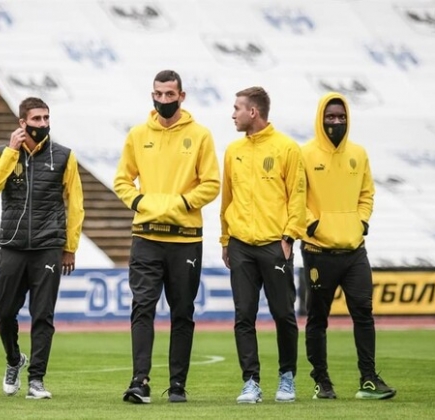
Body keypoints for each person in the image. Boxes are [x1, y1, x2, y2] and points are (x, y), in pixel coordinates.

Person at [114, 69, 220, 404]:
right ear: (152, 95)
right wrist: (140, 203)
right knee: (142, 308)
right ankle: (139, 382)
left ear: (181, 96)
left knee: (182, 312)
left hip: (185, 239)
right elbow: (122, 181)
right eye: (158, 94)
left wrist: (183, 203)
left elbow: (212, 184)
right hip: (145, 236)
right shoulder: (137, 135)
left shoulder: (200, 135)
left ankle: (177, 385)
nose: (163, 100)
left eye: (170, 95)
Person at [0, 97, 84, 400]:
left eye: (46, 118)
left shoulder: (64, 156)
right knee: (4, 313)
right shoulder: (2, 154)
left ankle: (36, 380)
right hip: (12, 246)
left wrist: (70, 247)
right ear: (22, 123)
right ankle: (14, 359)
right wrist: (11, 153)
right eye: (36, 119)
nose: (43, 124)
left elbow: (76, 205)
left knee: (43, 315)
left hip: (48, 246)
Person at [301, 92, 396, 400]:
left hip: (355, 251)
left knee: (364, 313)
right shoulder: (304, 154)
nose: (336, 122)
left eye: (341, 117)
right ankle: (322, 382)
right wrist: (312, 225)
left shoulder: (359, 153)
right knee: (318, 319)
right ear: (320, 119)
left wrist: (362, 223)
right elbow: (294, 198)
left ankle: (368, 380)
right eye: (330, 117)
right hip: (318, 252)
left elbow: (367, 194)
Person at [220, 86, 306, 404]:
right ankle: (251, 382)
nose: (233, 114)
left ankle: (287, 377)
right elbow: (227, 199)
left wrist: (289, 236)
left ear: (253, 112)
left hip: (275, 244)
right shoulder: (233, 151)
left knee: (283, 314)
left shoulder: (287, 148)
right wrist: (226, 239)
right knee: (244, 315)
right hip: (240, 245)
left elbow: (298, 196)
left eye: (237, 108)